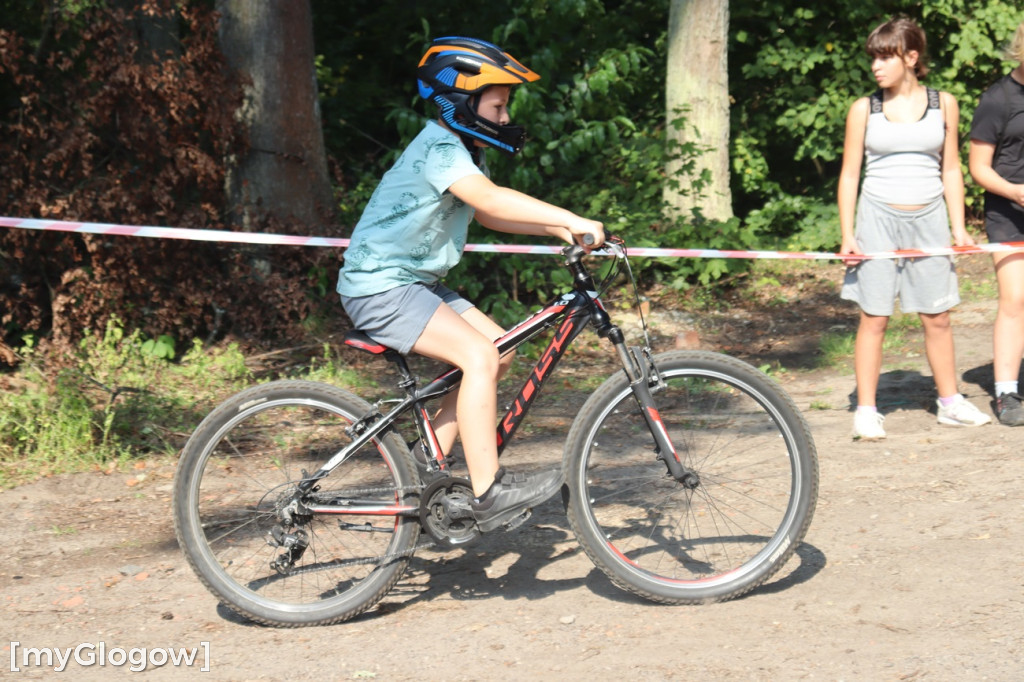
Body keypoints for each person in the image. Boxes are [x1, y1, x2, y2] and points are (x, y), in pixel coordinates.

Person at [336, 37, 604, 531]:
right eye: (498, 105)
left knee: (498, 350)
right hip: (382, 287)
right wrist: (570, 215)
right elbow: (492, 199)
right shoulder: (440, 148)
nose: (504, 118)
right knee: (479, 356)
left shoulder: (462, 150)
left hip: (412, 283)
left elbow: (487, 213)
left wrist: (560, 229)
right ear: (461, 101)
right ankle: (488, 491)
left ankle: (421, 472)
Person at [837, 17, 991, 440]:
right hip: (877, 218)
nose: (876, 66)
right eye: (874, 58)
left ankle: (950, 403)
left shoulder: (945, 104)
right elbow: (850, 175)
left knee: (937, 316)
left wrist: (959, 229)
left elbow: (953, 168)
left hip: (929, 218)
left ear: (911, 57)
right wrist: (848, 234)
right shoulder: (862, 109)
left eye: (885, 56)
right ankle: (866, 410)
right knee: (874, 318)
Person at [968, 21, 1024, 426]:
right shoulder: (997, 100)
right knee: (1016, 300)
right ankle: (1005, 392)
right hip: (1009, 213)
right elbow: (977, 168)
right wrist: (1016, 191)